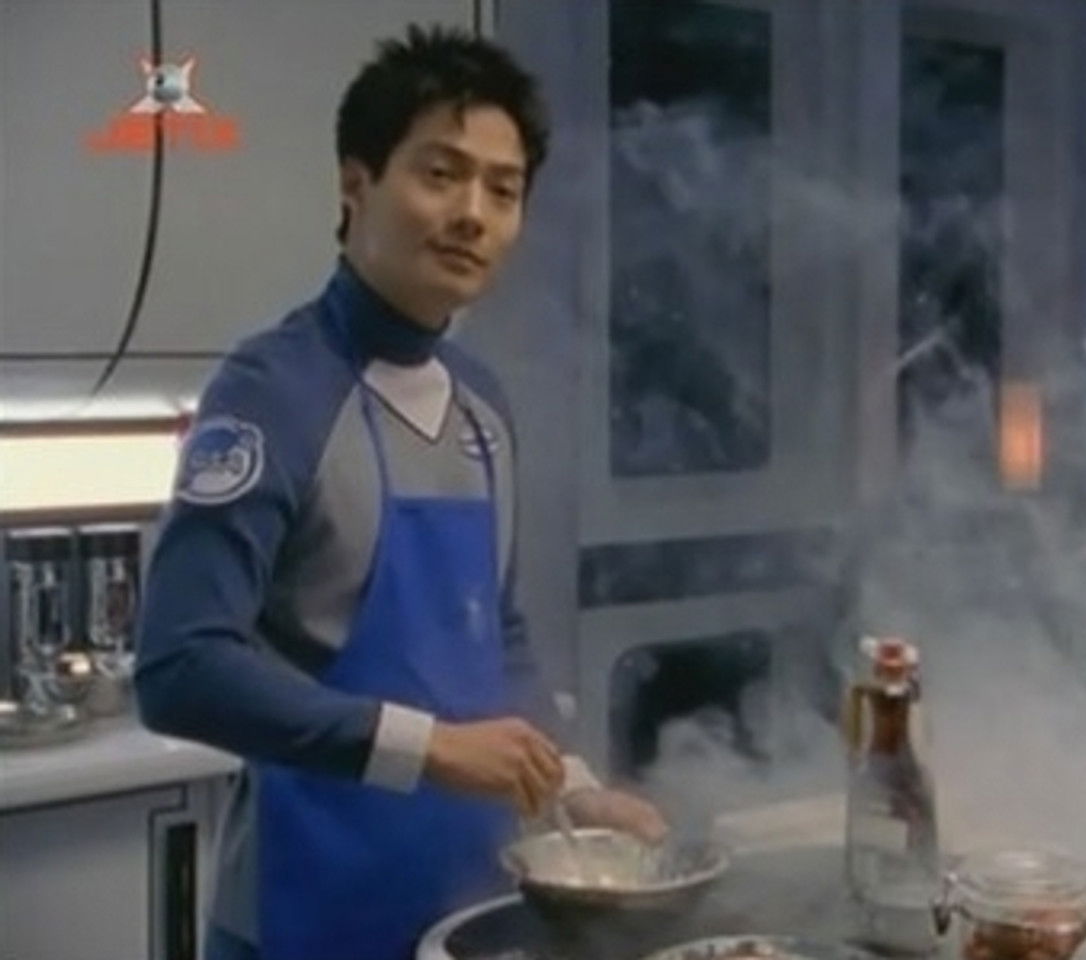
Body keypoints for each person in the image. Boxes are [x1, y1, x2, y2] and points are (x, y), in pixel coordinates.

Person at [135, 24, 666, 960]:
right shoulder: (272, 392)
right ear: (356, 183)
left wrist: (571, 784)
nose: (473, 214)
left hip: (462, 916)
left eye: (503, 190)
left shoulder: (482, 406)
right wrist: (431, 748)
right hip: (304, 915)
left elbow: (496, 636)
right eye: (441, 174)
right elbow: (180, 669)